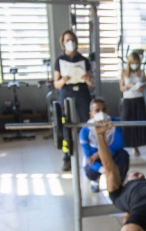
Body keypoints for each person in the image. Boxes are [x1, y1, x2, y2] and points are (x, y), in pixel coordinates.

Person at [54, 30, 93, 172]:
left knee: (87, 124)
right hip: (66, 92)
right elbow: (56, 84)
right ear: (63, 43)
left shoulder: (84, 60)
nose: (70, 42)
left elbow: (91, 83)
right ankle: (66, 157)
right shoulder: (59, 61)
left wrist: (87, 79)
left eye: (72, 39)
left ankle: (90, 156)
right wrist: (63, 80)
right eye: (67, 40)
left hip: (82, 92)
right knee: (66, 126)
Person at [79, 98, 128, 193]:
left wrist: (99, 154)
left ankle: (119, 182)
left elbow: (119, 144)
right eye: (97, 110)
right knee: (91, 168)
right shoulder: (85, 131)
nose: (101, 113)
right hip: (95, 160)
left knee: (123, 155)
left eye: (104, 109)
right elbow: (89, 157)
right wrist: (105, 170)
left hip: (111, 155)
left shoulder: (115, 123)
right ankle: (96, 180)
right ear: (91, 113)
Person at [119, 52, 146, 157]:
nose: (135, 65)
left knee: (138, 124)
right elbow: (121, 87)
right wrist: (128, 86)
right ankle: (124, 144)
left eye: (136, 63)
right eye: (133, 63)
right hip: (128, 100)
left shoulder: (141, 72)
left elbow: (143, 86)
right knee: (126, 123)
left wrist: (139, 87)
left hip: (138, 100)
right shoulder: (124, 72)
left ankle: (136, 146)